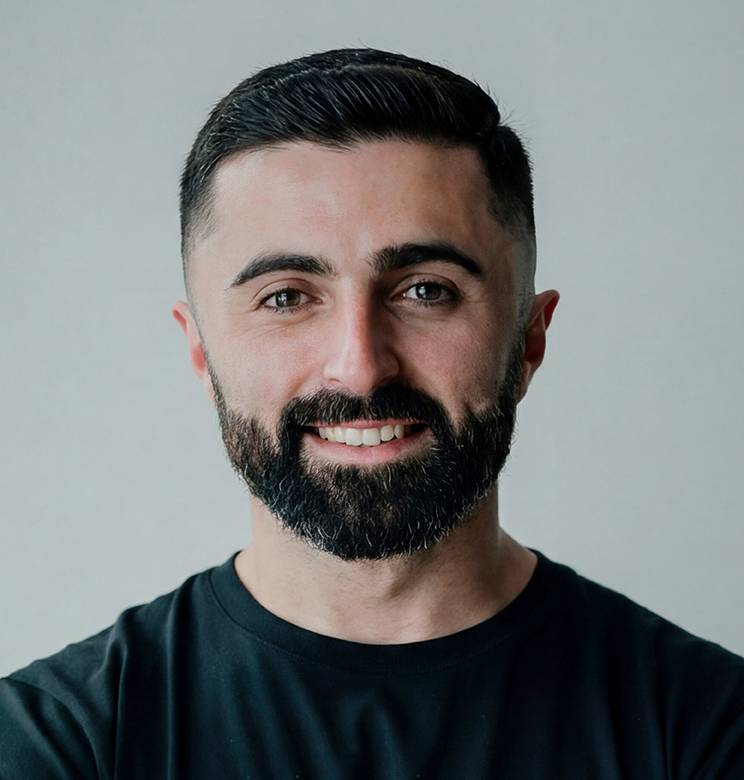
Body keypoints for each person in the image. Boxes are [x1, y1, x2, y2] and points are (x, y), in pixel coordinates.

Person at [1, 48, 742, 779]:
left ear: (528, 340)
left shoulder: (707, 728)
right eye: (286, 297)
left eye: (426, 290)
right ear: (201, 352)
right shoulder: (57, 746)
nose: (359, 366)